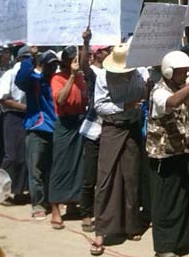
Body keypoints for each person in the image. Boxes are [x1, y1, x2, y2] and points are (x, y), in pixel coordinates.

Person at [147, 51, 189, 257]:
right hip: (164, 156)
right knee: (165, 202)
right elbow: (171, 103)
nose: (185, 76)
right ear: (168, 72)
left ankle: (180, 240)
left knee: (181, 199)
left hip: (181, 151)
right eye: (181, 72)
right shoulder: (159, 92)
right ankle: (164, 247)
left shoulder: (182, 88)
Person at [91, 43, 149, 256]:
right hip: (112, 129)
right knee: (106, 179)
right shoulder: (103, 78)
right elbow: (99, 105)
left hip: (133, 129)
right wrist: (124, 106)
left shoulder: (139, 74)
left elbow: (145, 93)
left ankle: (131, 225)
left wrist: (146, 92)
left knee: (131, 178)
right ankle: (102, 231)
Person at [15, 48, 60, 220]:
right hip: (37, 130)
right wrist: (31, 57)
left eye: (55, 64)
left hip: (56, 129)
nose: (53, 68)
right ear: (41, 65)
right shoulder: (34, 80)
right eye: (49, 64)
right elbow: (21, 79)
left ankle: (51, 200)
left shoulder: (58, 81)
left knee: (53, 169)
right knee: (36, 170)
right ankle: (38, 204)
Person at [48, 44, 88, 229]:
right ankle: (55, 209)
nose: (77, 62)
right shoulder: (58, 78)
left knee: (78, 165)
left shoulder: (82, 77)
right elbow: (61, 99)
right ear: (66, 62)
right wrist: (72, 77)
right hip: (64, 125)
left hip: (79, 122)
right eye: (74, 60)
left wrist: (86, 42)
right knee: (61, 165)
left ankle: (73, 203)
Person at [78, 35, 110, 233]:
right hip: (94, 130)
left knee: (106, 176)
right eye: (107, 49)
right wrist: (86, 43)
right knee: (90, 176)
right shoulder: (94, 73)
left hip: (111, 130)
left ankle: (103, 212)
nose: (110, 52)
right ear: (98, 53)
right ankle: (86, 213)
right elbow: (84, 66)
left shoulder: (114, 71)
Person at [0, 45, 30, 201]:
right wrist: (25, 107)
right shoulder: (10, 74)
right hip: (12, 117)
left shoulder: (32, 75)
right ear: (20, 59)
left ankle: (18, 191)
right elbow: (2, 99)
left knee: (23, 155)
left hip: (27, 117)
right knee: (12, 156)